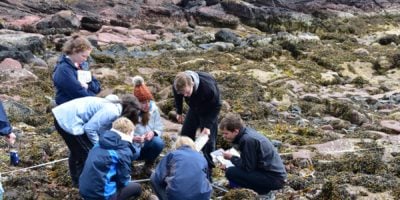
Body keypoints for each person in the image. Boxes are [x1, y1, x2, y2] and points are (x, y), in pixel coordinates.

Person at [52, 94, 140, 187]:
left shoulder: (113, 105)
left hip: (63, 115)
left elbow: (100, 127)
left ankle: (77, 182)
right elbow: (90, 129)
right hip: (69, 121)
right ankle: (85, 184)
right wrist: (98, 145)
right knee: (89, 154)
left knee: (77, 151)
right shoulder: (112, 111)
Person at [219, 113, 287, 195]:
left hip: (274, 179)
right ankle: (261, 189)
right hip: (273, 174)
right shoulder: (247, 133)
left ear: (236, 131)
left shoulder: (247, 140)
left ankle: (260, 191)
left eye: (226, 133)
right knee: (233, 169)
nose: (224, 136)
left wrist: (231, 158)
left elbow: (248, 168)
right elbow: (250, 162)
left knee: (230, 172)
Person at [172, 70, 221, 180]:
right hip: (194, 108)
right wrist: (179, 111)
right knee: (185, 135)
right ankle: (184, 162)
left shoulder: (208, 88)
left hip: (209, 110)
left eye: (187, 93)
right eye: (183, 93)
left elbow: (217, 106)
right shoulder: (178, 85)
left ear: (192, 84)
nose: (185, 95)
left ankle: (208, 172)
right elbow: (178, 96)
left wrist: (207, 126)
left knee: (208, 142)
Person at [79, 117, 142, 200]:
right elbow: (123, 181)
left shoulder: (99, 142)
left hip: (84, 190)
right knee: (137, 188)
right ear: (130, 133)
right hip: (101, 195)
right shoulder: (124, 151)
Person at [150, 136, 212, 200]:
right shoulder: (201, 157)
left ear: (177, 145)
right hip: (202, 197)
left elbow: (158, 177)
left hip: (179, 197)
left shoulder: (173, 154)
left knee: (153, 177)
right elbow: (206, 178)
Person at [53, 35, 101, 105]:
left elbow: (97, 86)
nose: (85, 59)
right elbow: (77, 92)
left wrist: (88, 86)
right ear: (74, 51)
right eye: (83, 56)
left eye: (87, 57)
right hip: (69, 105)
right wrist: (97, 100)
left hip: (84, 102)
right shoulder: (63, 69)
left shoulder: (82, 65)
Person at [132, 76, 164, 175]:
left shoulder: (154, 110)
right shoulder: (130, 112)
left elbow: (159, 127)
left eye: (148, 101)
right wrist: (133, 138)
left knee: (158, 142)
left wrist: (153, 133)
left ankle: (148, 165)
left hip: (146, 144)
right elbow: (121, 135)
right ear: (137, 102)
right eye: (143, 102)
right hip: (133, 146)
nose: (146, 104)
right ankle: (128, 165)